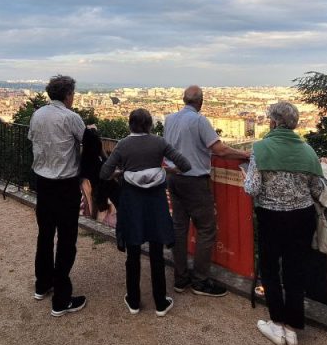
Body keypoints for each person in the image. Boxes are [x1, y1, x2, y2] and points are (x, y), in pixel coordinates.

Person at [244, 101, 324, 345]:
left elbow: (252, 188)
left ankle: (277, 323)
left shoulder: (261, 148)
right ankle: (293, 328)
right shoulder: (308, 151)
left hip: (271, 217)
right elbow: (318, 189)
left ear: (273, 121)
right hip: (302, 217)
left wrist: (244, 177)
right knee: (295, 270)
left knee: (269, 268)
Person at [101, 108, 192, 317]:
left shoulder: (123, 144)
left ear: (130, 124)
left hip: (131, 203)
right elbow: (185, 165)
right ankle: (160, 302)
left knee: (133, 254)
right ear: (150, 124)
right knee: (157, 253)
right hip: (155, 204)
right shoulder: (159, 143)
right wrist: (165, 171)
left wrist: (123, 173)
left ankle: (133, 301)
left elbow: (104, 173)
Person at [163, 85, 250, 297]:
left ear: (184, 100)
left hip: (173, 178)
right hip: (194, 181)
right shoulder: (199, 120)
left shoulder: (169, 119)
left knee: (179, 228)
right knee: (206, 228)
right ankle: (200, 281)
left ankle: (180, 278)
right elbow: (219, 149)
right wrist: (245, 154)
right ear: (200, 102)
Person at [28, 74, 86, 317]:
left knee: (45, 234)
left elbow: (33, 140)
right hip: (65, 184)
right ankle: (61, 299)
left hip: (43, 181)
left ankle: (43, 284)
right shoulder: (71, 117)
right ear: (68, 95)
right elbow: (86, 142)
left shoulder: (37, 114)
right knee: (66, 239)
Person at [79, 114, 105, 219]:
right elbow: (104, 156)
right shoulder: (97, 160)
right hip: (95, 174)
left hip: (84, 174)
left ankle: (87, 214)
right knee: (93, 196)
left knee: (86, 195)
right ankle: (92, 216)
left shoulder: (83, 157)